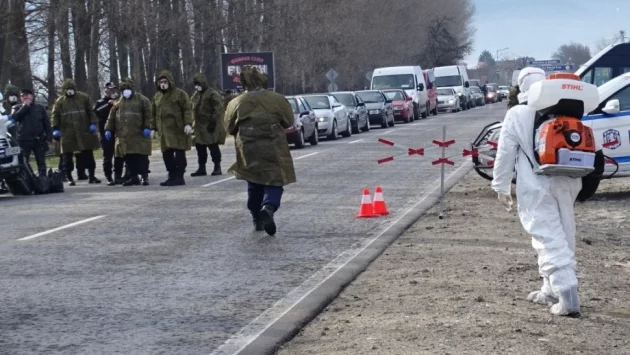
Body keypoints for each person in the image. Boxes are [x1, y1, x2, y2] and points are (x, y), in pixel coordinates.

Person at [491, 67, 581, 317]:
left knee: (547, 237)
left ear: (522, 88)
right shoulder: (564, 108)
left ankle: (568, 296)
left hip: (537, 186)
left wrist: (500, 187)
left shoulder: (517, 113)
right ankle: (550, 289)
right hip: (568, 180)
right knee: (563, 231)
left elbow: (505, 154)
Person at [224, 66, 296, 236]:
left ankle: (256, 216)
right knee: (275, 179)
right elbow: (288, 121)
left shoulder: (236, 102)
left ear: (243, 82)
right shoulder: (277, 99)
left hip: (248, 147)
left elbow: (228, 126)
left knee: (254, 180)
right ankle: (268, 207)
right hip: (273, 145)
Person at [51, 78, 102, 186]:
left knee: (88, 154)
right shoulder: (60, 101)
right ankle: (69, 177)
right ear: (64, 90)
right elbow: (55, 116)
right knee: (67, 157)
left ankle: (91, 176)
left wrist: (93, 123)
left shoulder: (84, 97)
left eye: (71, 88)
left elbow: (90, 112)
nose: (70, 91)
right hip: (67, 133)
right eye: (67, 89)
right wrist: (55, 128)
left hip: (84, 131)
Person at [104, 77, 152, 186]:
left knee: (142, 157)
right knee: (129, 158)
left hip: (139, 134)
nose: (126, 91)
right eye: (123, 89)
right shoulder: (119, 102)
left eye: (127, 89)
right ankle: (134, 177)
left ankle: (145, 177)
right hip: (124, 136)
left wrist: (147, 127)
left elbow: (148, 114)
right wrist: (108, 129)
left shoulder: (142, 100)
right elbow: (111, 117)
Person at [151, 70, 193, 186]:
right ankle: (172, 175)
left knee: (179, 153)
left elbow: (187, 109)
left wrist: (188, 123)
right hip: (164, 131)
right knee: (167, 154)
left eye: (165, 81)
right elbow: (153, 113)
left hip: (177, 128)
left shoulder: (179, 94)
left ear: (170, 82)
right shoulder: (157, 96)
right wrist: (153, 128)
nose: (163, 84)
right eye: (161, 82)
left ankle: (179, 176)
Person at [7, 89, 52, 176]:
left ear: (32, 96)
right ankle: (29, 180)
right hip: (24, 140)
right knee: (24, 162)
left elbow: (46, 123)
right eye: (23, 96)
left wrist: (49, 136)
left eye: (27, 95)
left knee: (41, 162)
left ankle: (43, 181)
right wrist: (25, 106)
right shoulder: (16, 107)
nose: (25, 97)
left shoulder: (40, 108)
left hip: (39, 139)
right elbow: (15, 118)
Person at [190, 73, 226, 177]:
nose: (197, 86)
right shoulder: (196, 95)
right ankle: (202, 168)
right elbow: (192, 108)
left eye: (198, 84)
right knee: (200, 148)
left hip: (210, 123)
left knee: (213, 146)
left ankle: (217, 167)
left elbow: (218, 108)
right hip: (198, 125)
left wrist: (213, 122)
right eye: (195, 84)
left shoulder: (212, 94)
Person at [94, 82, 120, 184]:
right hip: (106, 133)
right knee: (108, 155)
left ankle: (118, 175)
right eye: (111, 89)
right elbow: (96, 111)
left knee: (119, 155)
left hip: (118, 132)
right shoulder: (100, 102)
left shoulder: (119, 101)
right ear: (106, 90)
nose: (113, 91)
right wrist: (108, 104)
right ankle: (108, 176)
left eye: (114, 89)